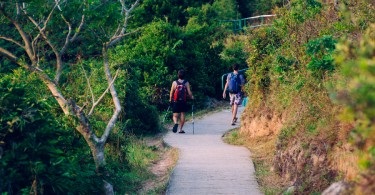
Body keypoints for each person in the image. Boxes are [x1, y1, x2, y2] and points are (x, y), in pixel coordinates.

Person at [169, 69, 194, 133]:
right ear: (184, 75)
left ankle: (175, 123)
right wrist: (192, 97)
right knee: (182, 114)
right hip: (183, 101)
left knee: (175, 115)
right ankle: (180, 129)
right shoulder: (186, 82)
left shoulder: (174, 82)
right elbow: (189, 92)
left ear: (178, 75)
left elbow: (171, 92)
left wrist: (170, 99)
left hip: (176, 101)